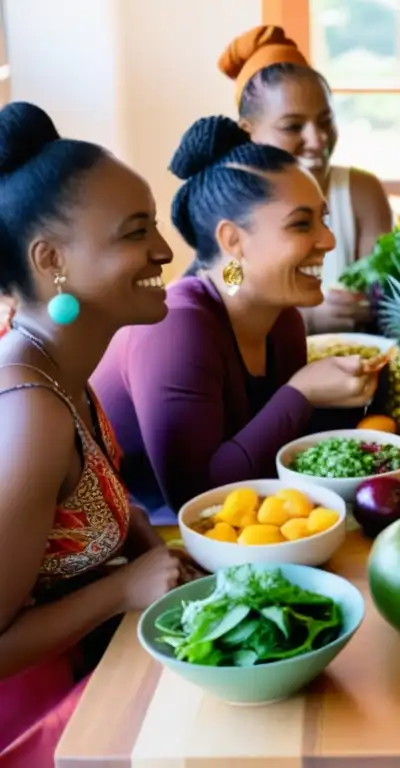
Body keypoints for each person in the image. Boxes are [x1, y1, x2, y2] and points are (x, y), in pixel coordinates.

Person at [0, 102, 191, 765]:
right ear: (51, 260)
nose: (166, 251)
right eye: (136, 232)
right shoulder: (28, 413)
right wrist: (123, 587)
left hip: (89, 668)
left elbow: (84, 510)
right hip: (37, 726)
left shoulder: (61, 371)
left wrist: (143, 537)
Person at [91, 117, 388, 527]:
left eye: (324, 219)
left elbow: (274, 452)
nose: (329, 241)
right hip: (139, 546)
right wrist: (301, 392)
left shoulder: (282, 319)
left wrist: (345, 395)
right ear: (233, 241)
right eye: (302, 224)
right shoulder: (175, 328)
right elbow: (198, 500)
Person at [219, 25, 394, 335]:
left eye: (326, 121)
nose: (317, 140)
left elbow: (381, 290)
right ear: (247, 133)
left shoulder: (361, 193)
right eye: (293, 127)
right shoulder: (226, 206)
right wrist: (306, 320)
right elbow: (225, 292)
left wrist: (365, 305)